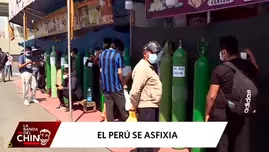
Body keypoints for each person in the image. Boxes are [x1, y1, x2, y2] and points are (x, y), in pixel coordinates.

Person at [206, 36, 259, 152]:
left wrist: (207, 113)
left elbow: (212, 96)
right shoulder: (247, 66)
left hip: (222, 114)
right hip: (240, 112)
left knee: (223, 145)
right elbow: (256, 69)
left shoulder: (220, 69)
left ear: (224, 51)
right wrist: (251, 56)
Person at [130, 41, 163, 152]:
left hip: (151, 106)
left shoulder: (148, 67)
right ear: (146, 53)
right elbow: (135, 91)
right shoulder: (142, 68)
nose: (156, 55)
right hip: (146, 107)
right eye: (153, 52)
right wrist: (134, 107)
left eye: (157, 53)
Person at [99, 39, 129, 122]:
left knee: (109, 107)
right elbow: (119, 72)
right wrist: (123, 83)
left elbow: (101, 70)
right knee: (122, 106)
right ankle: (127, 122)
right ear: (118, 48)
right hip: (116, 87)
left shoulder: (102, 54)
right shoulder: (117, 55)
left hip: (106, 87)